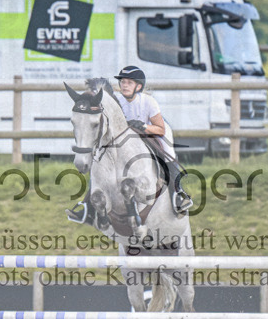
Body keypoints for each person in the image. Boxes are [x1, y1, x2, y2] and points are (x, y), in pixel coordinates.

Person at [67, 66, 192, 225]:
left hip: (152, 132)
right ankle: (88, 207)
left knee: (168, 155)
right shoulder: (117, 100)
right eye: (123, 82)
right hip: (128, 138)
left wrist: (144, 126)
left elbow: (160, 129)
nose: (124, 85)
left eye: (129, 82)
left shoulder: (149, 102)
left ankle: (179, 195)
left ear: (138, 86)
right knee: (99, 162)